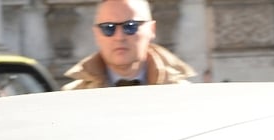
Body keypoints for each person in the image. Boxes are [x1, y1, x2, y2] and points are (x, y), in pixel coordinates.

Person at [62, 0, 195, 90]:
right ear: (96, 34)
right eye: (108, 28)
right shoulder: (73, 96)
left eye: (130, 26)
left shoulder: (182, 92)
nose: (119, 37)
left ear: (152, 29)